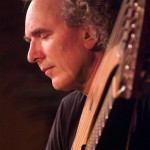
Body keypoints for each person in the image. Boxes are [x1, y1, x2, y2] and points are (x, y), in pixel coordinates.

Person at [24, 0, 150, 149]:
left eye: (43, 36)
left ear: (90, 33)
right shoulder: (69, 112)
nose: (31, 56)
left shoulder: (143, 95)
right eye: (29, 41)